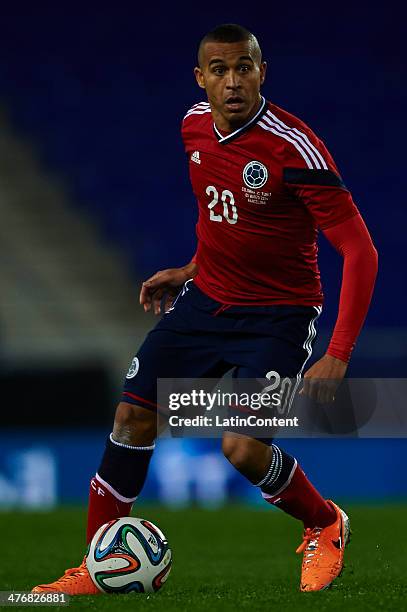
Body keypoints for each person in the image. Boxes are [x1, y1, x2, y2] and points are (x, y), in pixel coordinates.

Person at [32, 23, 378, 594]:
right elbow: (225, 217)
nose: (233, 81)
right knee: (131, 417)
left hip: (279, 315)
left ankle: (325, 523)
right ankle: (97, 567)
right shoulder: (192, 126)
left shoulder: (293, 148)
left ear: (262, 72)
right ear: (201, 78)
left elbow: (359, 251)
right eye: (219, 70)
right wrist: (192, 268)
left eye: (244, 67)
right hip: (207, 300)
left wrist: (338, 353)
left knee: (240, 448)